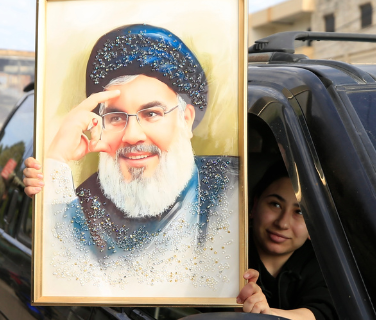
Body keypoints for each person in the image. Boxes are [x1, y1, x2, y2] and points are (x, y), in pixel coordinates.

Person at [24, 24, 238, 295]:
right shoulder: (81, 208)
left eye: (152, 114)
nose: (132, 135)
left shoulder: (234, 189)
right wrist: (55, 162)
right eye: (116, 117)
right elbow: (66, 285)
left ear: (185, 120)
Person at [234, 162, 344, 320]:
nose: (282, 223)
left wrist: (266, 314)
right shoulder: (223, 253)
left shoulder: (327, 264)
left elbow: (327, 317)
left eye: (299, 212)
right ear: (254, 205)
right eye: (275, 204)